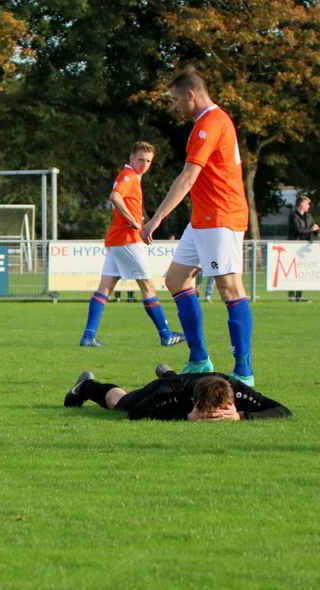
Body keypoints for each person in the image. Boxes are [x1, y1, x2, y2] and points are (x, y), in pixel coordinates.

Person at [141, 67, 254, 385]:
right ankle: (199, 358)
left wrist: (157, 218)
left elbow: (188, 177)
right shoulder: (206, 123)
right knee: (176, 280)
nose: (175, 105)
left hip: (221, 215)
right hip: (202, 218)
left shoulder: (210, 124)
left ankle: (244, 371)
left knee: (230, 288)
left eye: (176, 99)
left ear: (191, 94)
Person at [79, 141, 184, 347]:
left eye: (148, 161)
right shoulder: (128, 176)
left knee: (105, 288)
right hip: (127, 239)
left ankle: (88, 336)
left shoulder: (133, 177)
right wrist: (133, 221)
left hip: (118, 239)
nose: (144, 164)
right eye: (140, 159)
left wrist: (140, 222)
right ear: (131, 158)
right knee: (148, 285)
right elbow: (115, 197)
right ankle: (165, 334)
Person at [63, 364, 291, 421]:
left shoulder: (237, 389)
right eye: (209, 412)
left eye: (222, 411)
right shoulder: (173, 392)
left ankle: (168, 371)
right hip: (172, 384)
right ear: (194, 401)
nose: (215, 417)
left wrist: (242, 416)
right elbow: (138, 412)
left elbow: (283, 411)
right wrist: (185, 417)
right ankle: (85, 386)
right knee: (120, 403)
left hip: (186, 381)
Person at [287, 194, 318, 302]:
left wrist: (317, 232)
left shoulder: (308, 216)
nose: (309, 206)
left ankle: (299, 295)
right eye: (307, 203)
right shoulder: (293, 216)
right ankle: (291, 295)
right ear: (301, 204)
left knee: (301, 271)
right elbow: (298, 230)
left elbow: (315, 227)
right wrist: (311, 229)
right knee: (292, 271)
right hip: (293, 247)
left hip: (304, 248)